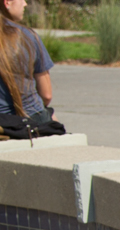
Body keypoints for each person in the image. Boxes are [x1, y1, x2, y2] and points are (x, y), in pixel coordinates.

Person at [0, 0, 62, 137]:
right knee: (52, 120)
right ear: (7, 3)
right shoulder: (28, 36)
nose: (25, 4)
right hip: (30, 118)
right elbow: (46, 95)